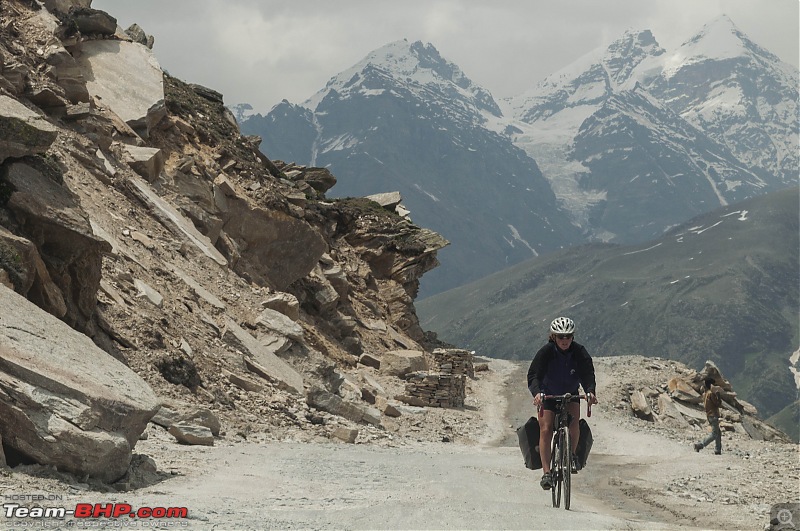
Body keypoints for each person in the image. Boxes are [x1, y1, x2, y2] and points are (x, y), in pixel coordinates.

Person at [527, 317, 598, 491]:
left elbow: (588, 373)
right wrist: (537, 393)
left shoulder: (579, 352)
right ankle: (546, 472)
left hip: (570, 394)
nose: (564, 340)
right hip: (548, 395)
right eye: (560, 337)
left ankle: (571, 456)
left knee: (574, 423)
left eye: (568, 337)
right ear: (553, 337)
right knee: (546, 429)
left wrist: (590, 391)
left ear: (572, 337)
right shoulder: (546, 352)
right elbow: (533, 375)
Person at [694, 377, 722, 454]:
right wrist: (718, 395)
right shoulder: (710, 394)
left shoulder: (705, 394)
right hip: (713, 415)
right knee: (714, 434)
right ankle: (700, 444)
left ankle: (718, 449)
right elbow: (717, 404)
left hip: (709, 415)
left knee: (718, 432)